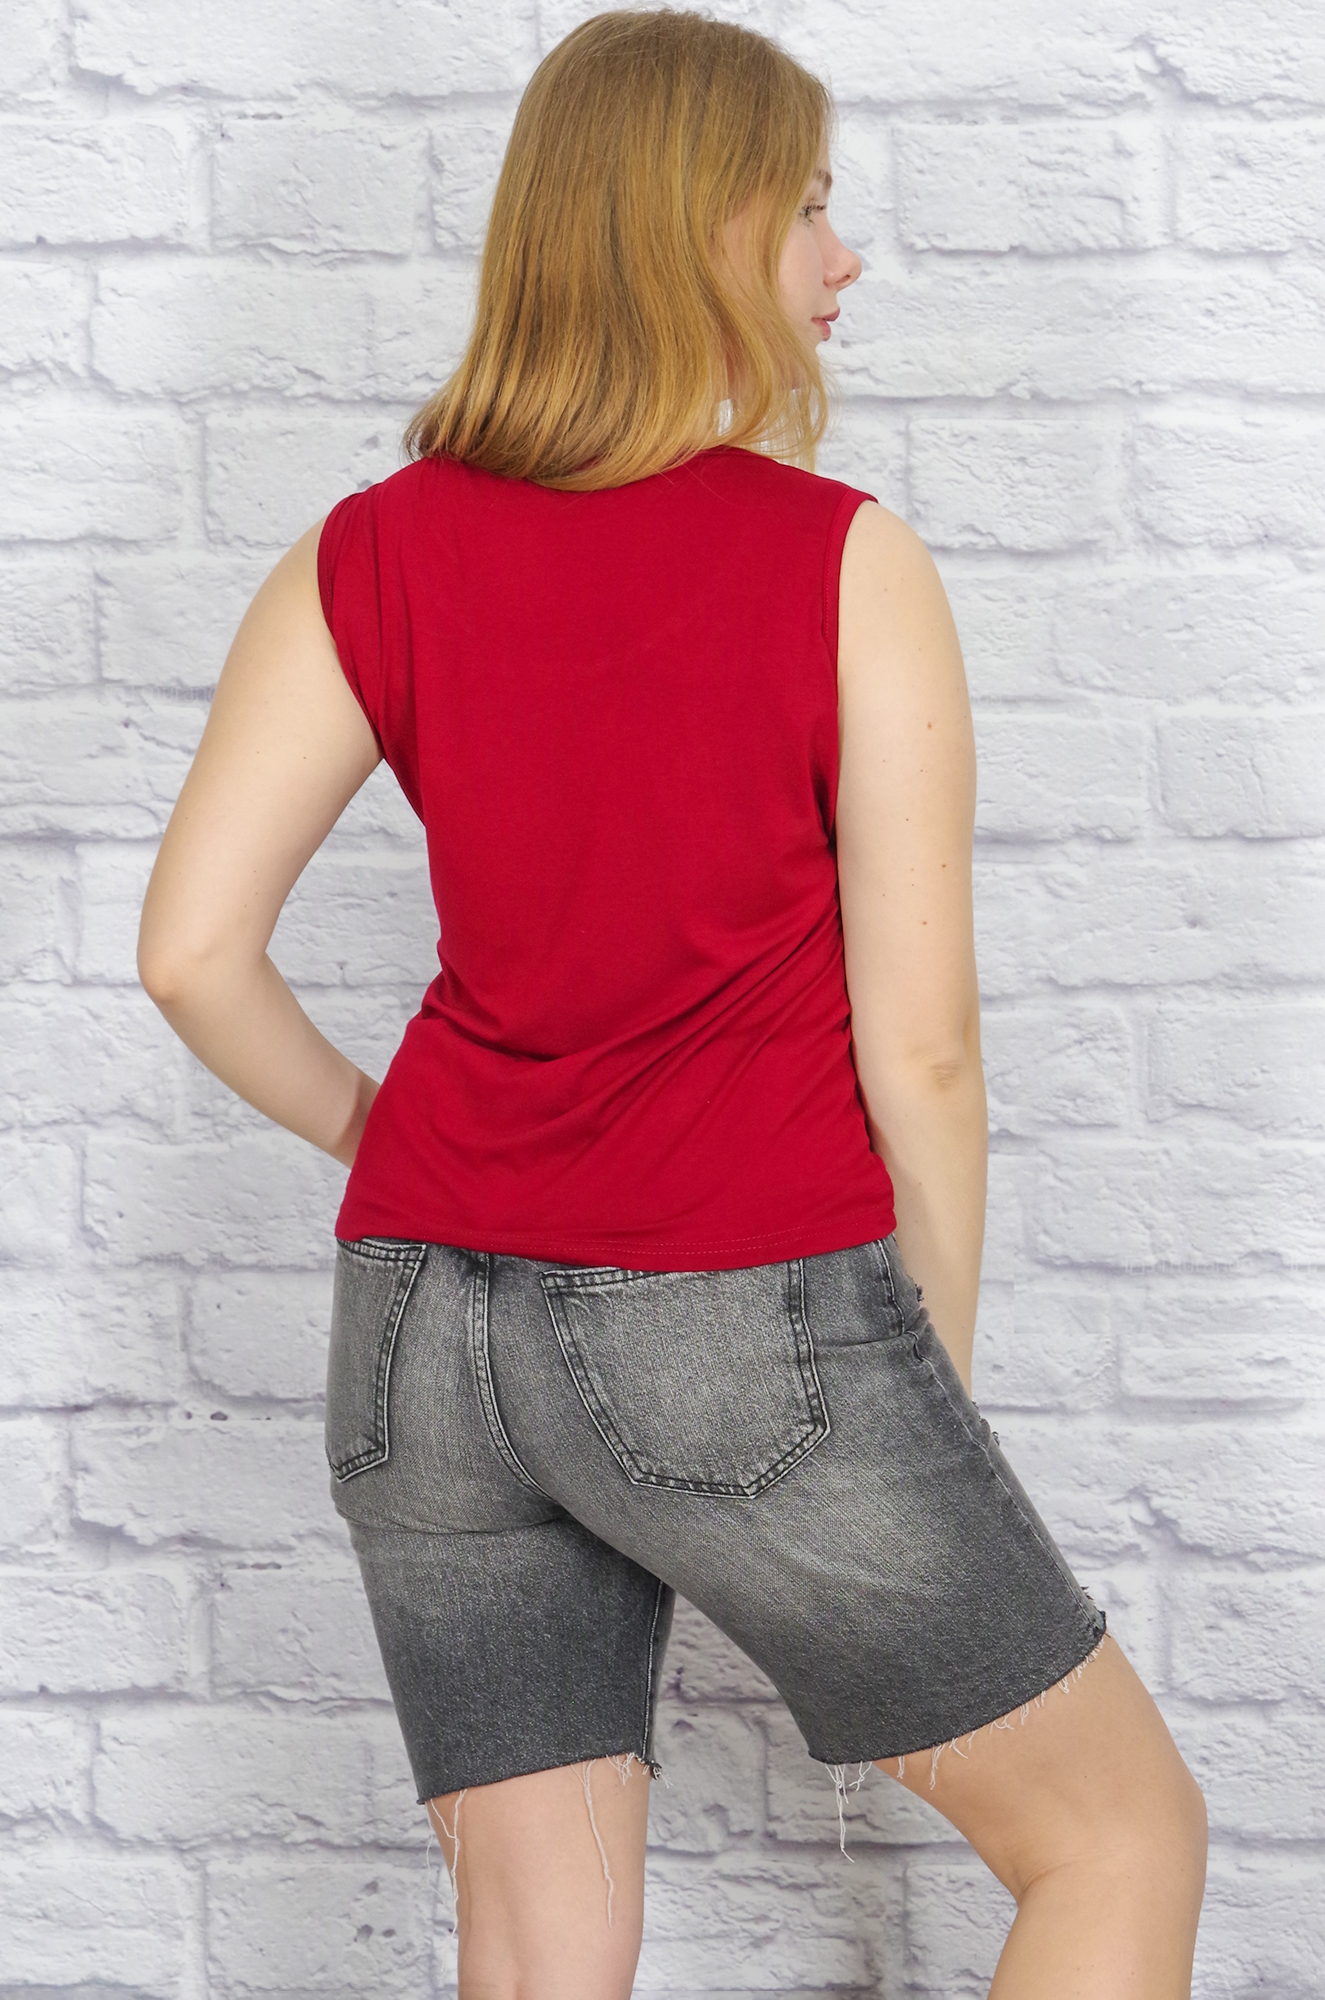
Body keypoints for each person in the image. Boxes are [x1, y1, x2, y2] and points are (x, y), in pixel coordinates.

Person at [138, 9, 1207, 1996]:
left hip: (418, 1331)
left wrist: (393, 1136)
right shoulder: (839, 563)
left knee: (539, 1945)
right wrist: (930, 1384)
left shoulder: (365, 551)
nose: (842, 256)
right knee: (1117, 1837)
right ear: (701, 229)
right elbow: (924, 1049)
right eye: (807, 207)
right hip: (735, 1317)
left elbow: (191, 953)